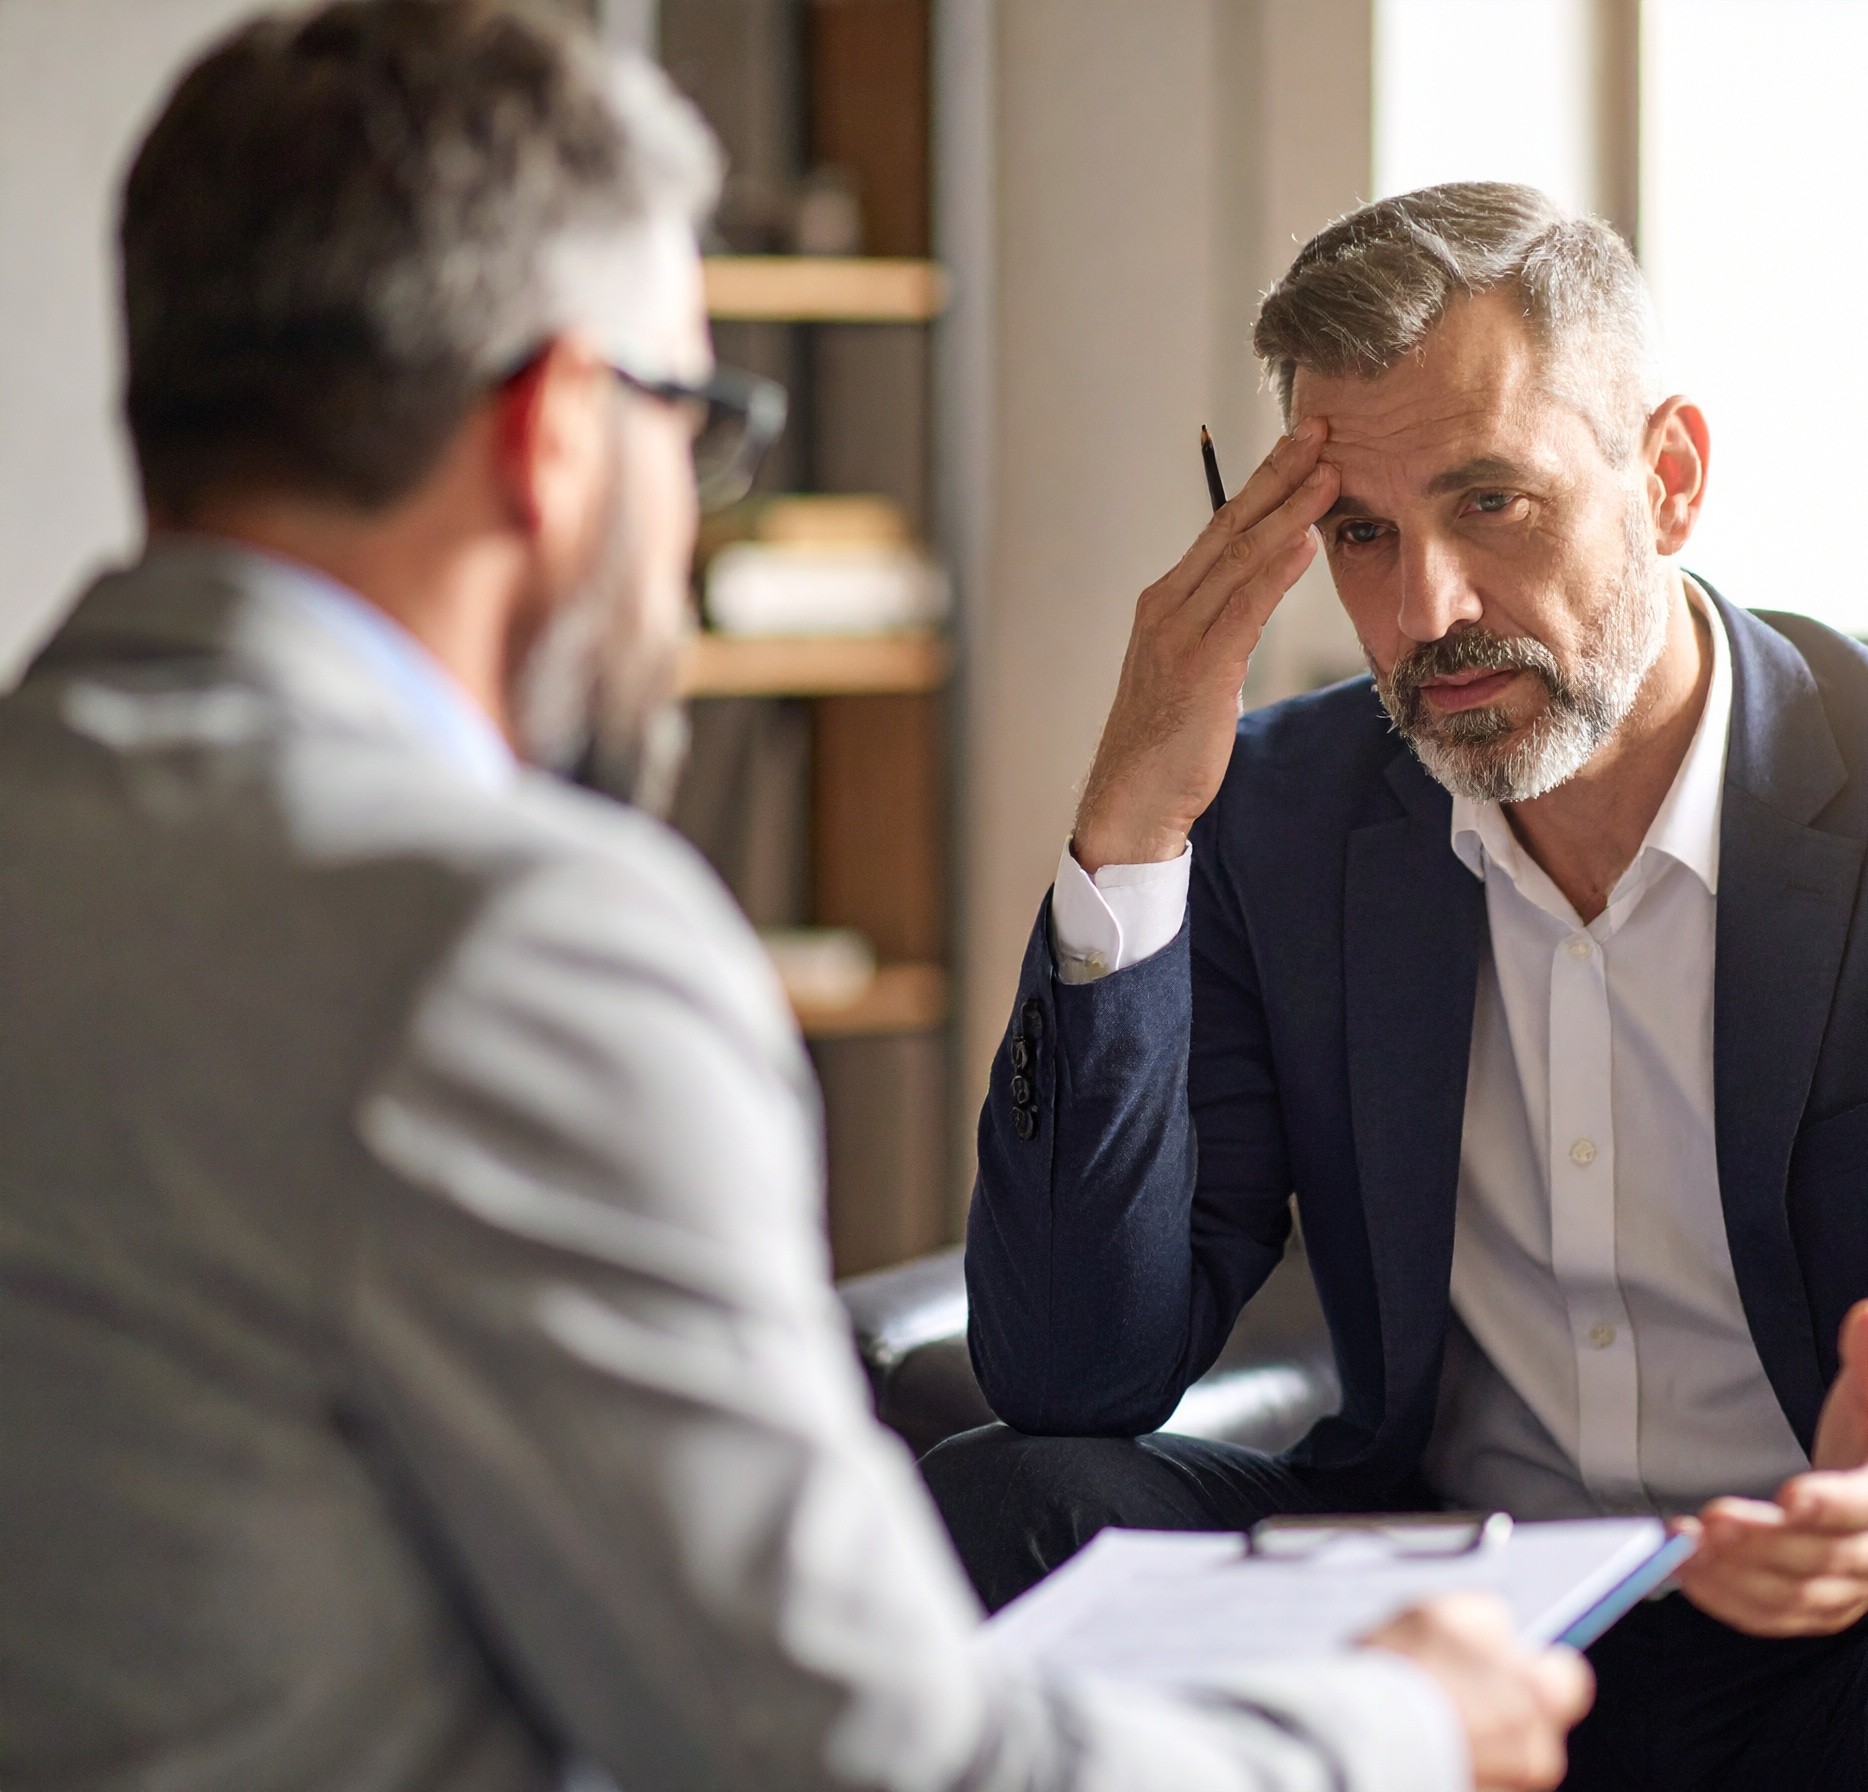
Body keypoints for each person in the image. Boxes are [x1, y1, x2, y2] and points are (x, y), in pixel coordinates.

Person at [0, 14, 1594, 1790]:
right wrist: (1400, 1725)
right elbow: (865, 1768)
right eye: (703, 418)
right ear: (560, 433)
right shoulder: (509, 946)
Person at [927, 183, 1868, 1791]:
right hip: (1457, 1598)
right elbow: (1072, 1373)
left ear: (1669, 478)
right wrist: (1132, 824)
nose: (1426, 611)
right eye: (1360, 536)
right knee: (999, 1507)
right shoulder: (1279, 820)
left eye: (1491, 503)